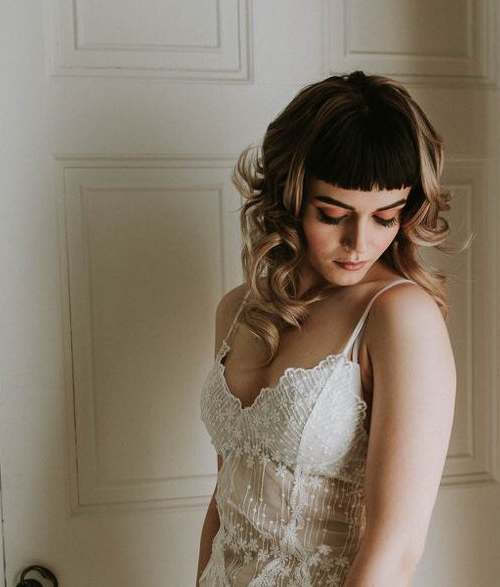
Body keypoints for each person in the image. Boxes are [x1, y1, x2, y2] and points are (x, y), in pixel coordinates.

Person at [196, 70, 467, 587]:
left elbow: (396, 547)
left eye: (385, 217)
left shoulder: (400, 318)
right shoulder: (237, 311)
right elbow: (226, 497)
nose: (358, 243)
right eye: (332, 214)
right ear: (288, 196)